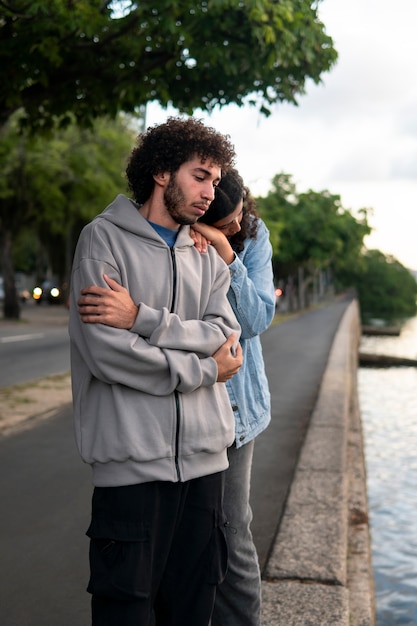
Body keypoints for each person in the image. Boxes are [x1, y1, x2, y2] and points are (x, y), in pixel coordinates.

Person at [78, 167, 276, 626]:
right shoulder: (139, 235)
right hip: (159, 424)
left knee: (228, 538)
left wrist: (227, 253)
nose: (227, 227)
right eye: (218, 224)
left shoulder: (244, 238)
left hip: (234, 409)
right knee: (157, 569)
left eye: (234, 222)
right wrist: (198, 358)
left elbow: (248, 325)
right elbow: (114, 349)